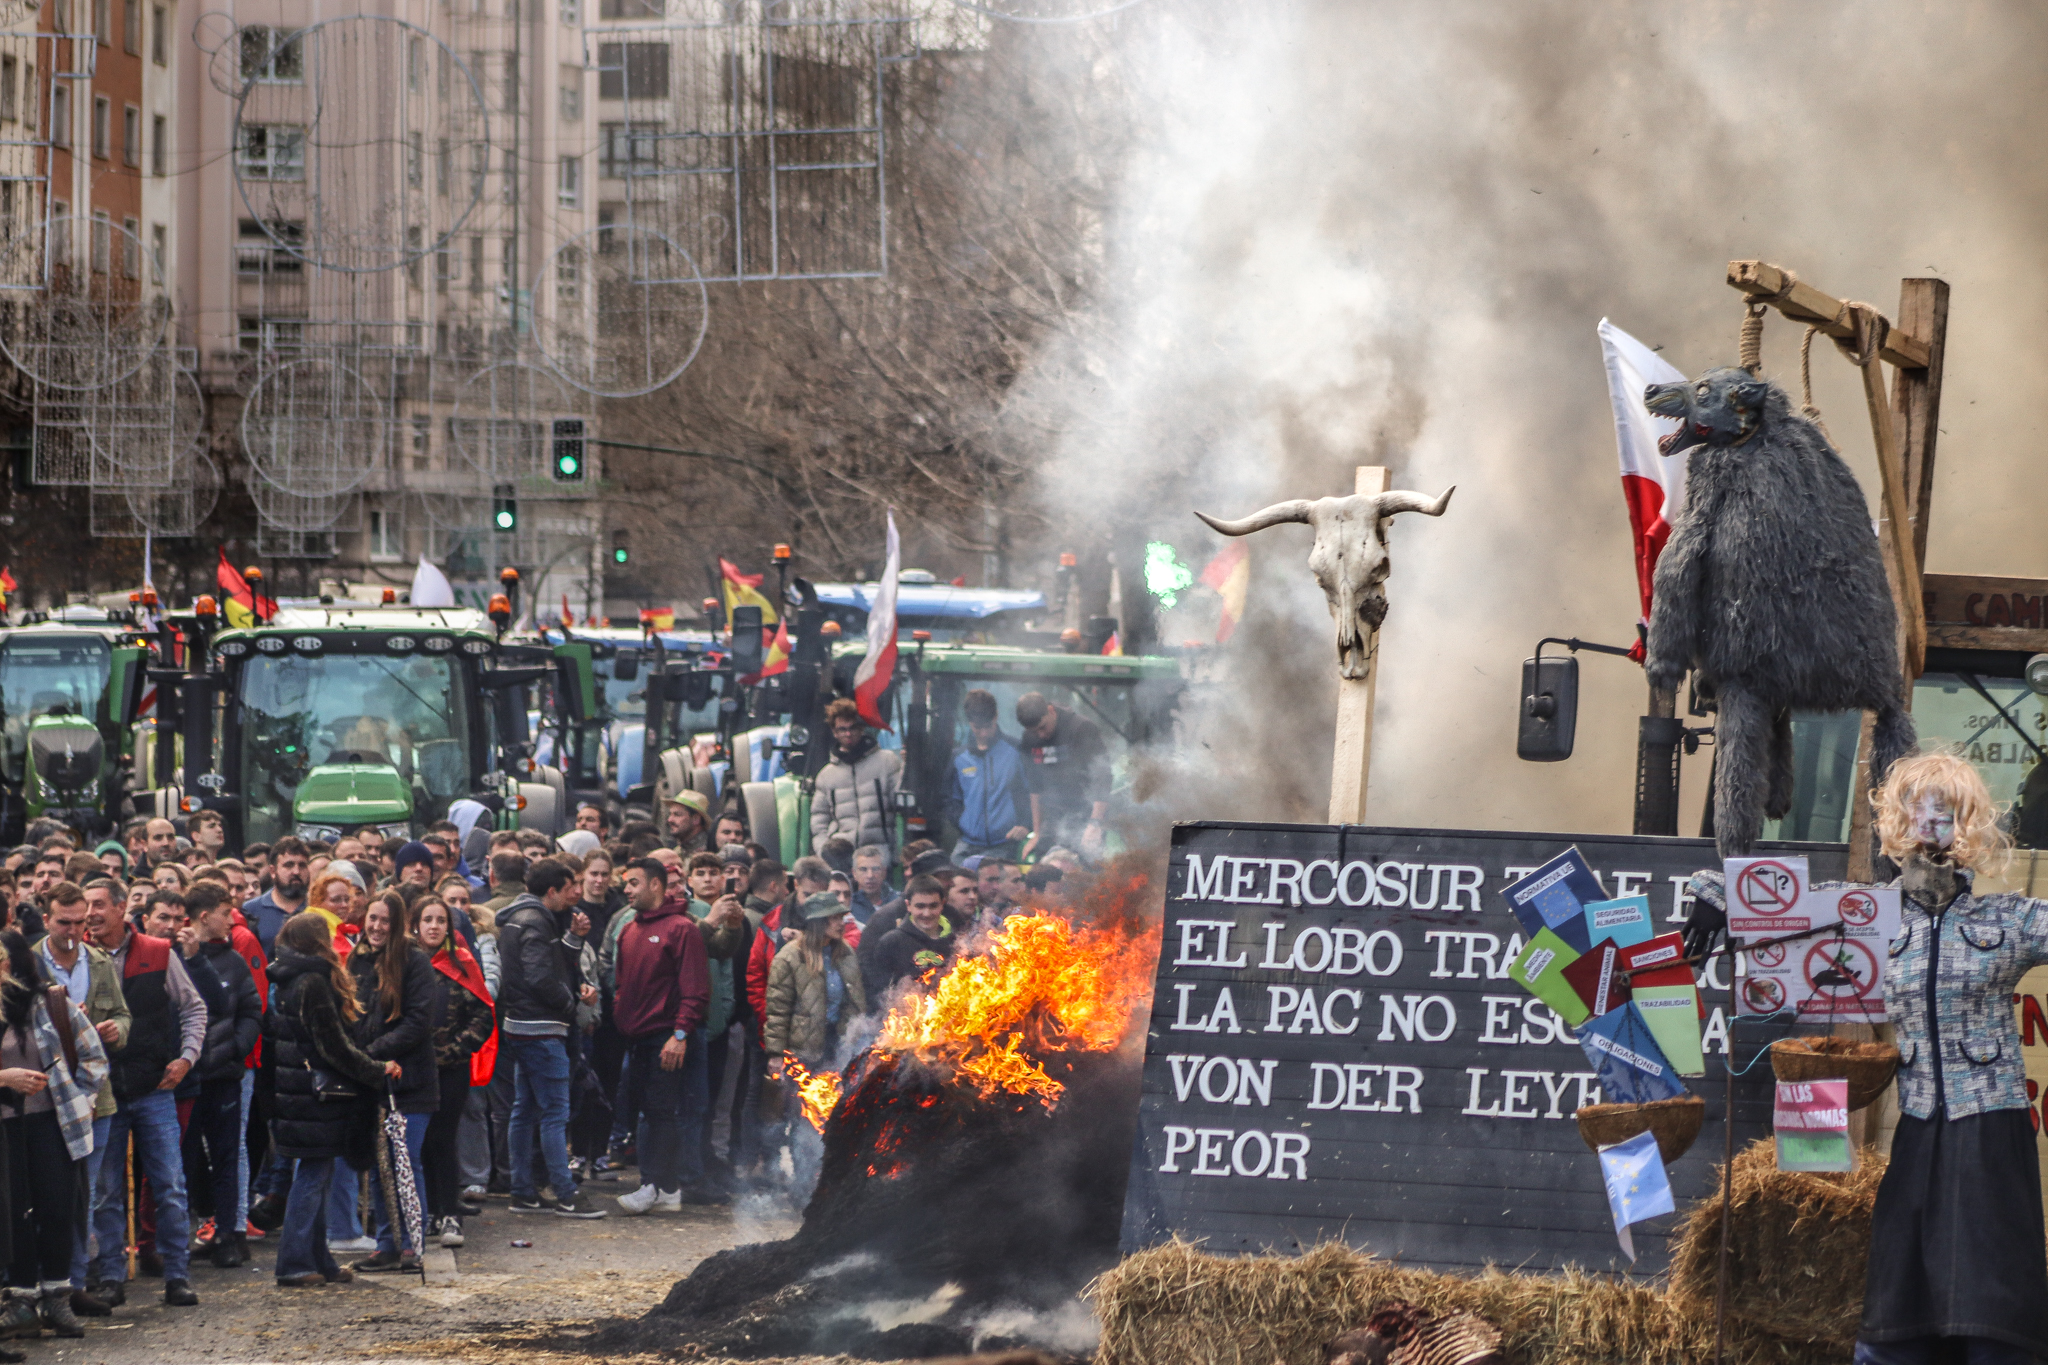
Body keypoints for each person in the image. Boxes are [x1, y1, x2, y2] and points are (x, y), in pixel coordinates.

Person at [87, 874, 208, 1309]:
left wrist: (187, 1058)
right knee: (106, 1190)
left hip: (153, 1086)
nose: (92, 914)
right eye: (88, 905)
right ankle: (111, 1276)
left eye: (100, 904)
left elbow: (194, 1005)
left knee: (170, 1184)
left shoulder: (158, 953)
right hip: (102, 1092)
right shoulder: (80, 955)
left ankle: (177, 1275)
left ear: (122, 909)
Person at [265, 913, 401, 1287]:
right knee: (312, 1179)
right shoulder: (313, 982)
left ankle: (318, 1260)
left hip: (297, 1096)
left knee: (315, 1177)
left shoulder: (288, 977)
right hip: (316, 1099)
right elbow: (334, 1049)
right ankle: (293, 1263)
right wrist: (376, 1069)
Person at [0, 929, 107, 1341]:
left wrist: (82, 1099)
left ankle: (58, 1298)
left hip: (53, 1122)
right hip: (6, 1127)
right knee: (16, 1216)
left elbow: (93, 1055)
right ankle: (22, 1302)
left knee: (58, 1209)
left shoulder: (50, 1003)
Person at [496, 859, 605, 1219]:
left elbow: (551, 964)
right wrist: (572, 1003)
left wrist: (573, 939)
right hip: (542, 1031)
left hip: (520, 1027)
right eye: (569, 886)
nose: (575, 892)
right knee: (555, 1114)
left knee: (524, 1112)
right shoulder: (537, 920)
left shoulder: (520, 917)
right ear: (551, 892)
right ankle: (565, 1193)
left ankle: (522, 1192)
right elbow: (540, 976)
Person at [38, 883, 127, 1320]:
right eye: (64, 922)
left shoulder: (99, 961)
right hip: (44, 1097)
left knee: (87, 1194)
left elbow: (125, 1014)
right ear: (46, 920)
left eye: (80, 922)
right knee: (48, 1194)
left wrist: (115, 1030)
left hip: (95, 1095)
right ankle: (42, 1285)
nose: (74, 930)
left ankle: (74, 1283)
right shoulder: (28, 963)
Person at [612, 858, 713, 1212]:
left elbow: (696, 989)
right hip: (637, 1039)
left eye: (634, 882)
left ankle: (653, 1185)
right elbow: (622, 984)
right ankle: (668, 1191)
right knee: (648, 1111)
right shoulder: (629, 929)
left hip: (666, 1038)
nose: (627, 889)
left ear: (656, 884)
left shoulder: (681, 929)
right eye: (626, 883)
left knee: (660, 1112)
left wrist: (681, 1034)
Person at [347, 891, 439, 1272]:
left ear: (398, 924)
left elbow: (418, 1022)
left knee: (405, 1161)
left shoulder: (414, 962)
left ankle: (411, 1245)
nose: (377, 927)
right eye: (372, 918)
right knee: (382, 1165)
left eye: (385, 920)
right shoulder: (357, 959)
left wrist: (373, 1051)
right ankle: (387, 1241)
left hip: (409, 1082)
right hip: (371, 1081)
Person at [175, 883, 263, 1270]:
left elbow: (251, 1009)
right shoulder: (173, 956)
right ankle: (193, 1230)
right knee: (186, 1159)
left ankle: (228, 1233)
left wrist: (235, 1048)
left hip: (225, 1073)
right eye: (226, 912)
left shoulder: (234, 960)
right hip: (186, 1076)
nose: (232, 919)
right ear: (204, 916)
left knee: (227, 1155)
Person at [762, 892, 864, 1183]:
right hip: (803, 1052)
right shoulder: (789, 957)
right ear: (817, 922)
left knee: (838, 1117)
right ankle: (804, 1187)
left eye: (841, 916)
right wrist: (775, 1055)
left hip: (839, 1049)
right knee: (804, 1120)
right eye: (833, 917)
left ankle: (830, 1184)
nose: (841, 922)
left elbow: (855, 1002)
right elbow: (777, 1011)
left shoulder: (845, 953)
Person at [410, 897, 493, 1250]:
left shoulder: (462, 963)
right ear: (415, 925)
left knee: (444, 1138)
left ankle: (449, 1213)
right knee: (421, 1143)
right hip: (414, 1067)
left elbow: (483, 1015)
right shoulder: (405, 964)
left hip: (452, 1068)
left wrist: (457, 1048)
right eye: (426, 919)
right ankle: (428, 1209)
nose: (433, 926)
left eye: (440, 920)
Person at [1013, 691, 1110, 857]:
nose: (1041, 735)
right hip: (1052, 819)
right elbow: (1035, 785)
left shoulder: (1081, 728)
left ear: (1051, 710)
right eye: (1034, 731)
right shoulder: (1029, 738)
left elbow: (1102, 777)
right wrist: (1037, 832)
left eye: (1043, 727)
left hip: (1085, 814)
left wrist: (1094, 824)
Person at [947, 689, 1033, 862]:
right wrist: (963, 822)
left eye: (988, 726)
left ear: (996, 717)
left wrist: (1025, 824)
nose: (984, 733)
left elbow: (1031, 792)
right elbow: (950, 799)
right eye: (978, 728)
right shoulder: (958, 757)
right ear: (969, 722)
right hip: (967, 845)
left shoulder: (1016, 751)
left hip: (1005, 845)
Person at [809, 698, 902, 856]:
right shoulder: (826, 775)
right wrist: (824, 850)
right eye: (842, 729)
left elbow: (900, 803)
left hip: (880, 851)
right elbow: (819, 819)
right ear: (834, 732)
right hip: (842, 854)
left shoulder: (887, 762)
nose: (848, 733)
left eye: (853, 728)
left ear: (862, 728)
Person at [869, 876, 956, 994]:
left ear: (942, 904)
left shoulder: (955, 940)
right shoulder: (891, 943)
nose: (927, 913)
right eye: (920, 906)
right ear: (908, 905)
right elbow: (879, 992)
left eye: (933, 906)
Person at [242, 836, 310, 958]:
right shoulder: (250, 911)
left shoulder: (318, 908)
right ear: (273, 871)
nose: (296, 871)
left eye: (302, 865)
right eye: (288, 865)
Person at [847, 844, 898, 928]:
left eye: (875, 869)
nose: (870, 875)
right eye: (863, 869)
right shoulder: (849, 905)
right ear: (854, 873)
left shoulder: (898, 902)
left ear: (884, 872)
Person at [665, 790, 711, 856]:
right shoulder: (677, 852)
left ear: (696, 819)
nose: (670, 820)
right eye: (670, 814)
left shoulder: (708, 851)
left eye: (677, 815)